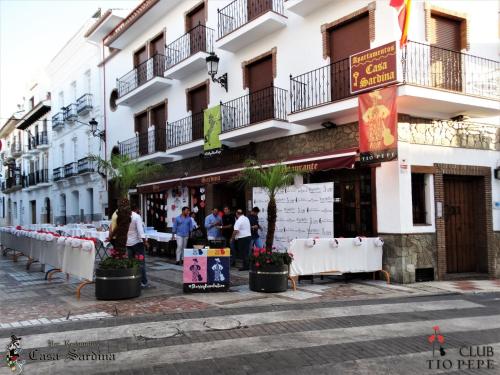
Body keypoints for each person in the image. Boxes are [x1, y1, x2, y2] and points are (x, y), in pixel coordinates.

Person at [127, 205, 150, 288]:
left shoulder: (123, 216)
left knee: (130, 263)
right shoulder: (137, 217)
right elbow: (140, 231)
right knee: (141, 263)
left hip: (128, 243)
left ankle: (132, 281)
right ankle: (143, 282)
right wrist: (145, 242)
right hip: (137, 243)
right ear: (135, 209)